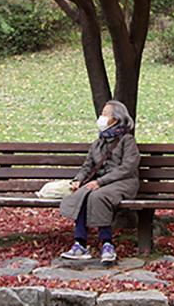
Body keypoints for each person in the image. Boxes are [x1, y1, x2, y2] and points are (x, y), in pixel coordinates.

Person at [59, 100, 140, 265]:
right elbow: (87, 166)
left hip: (123, 182)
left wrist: (101, 182)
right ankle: (79, 244)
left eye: (105, 114)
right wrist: (78, 180)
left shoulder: (127, 140)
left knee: (97, 196)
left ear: (115, 119)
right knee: (82, 194)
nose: (101, 117)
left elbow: (128, 167)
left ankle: (107, 244)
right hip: (100, 183)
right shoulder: (97, 143)